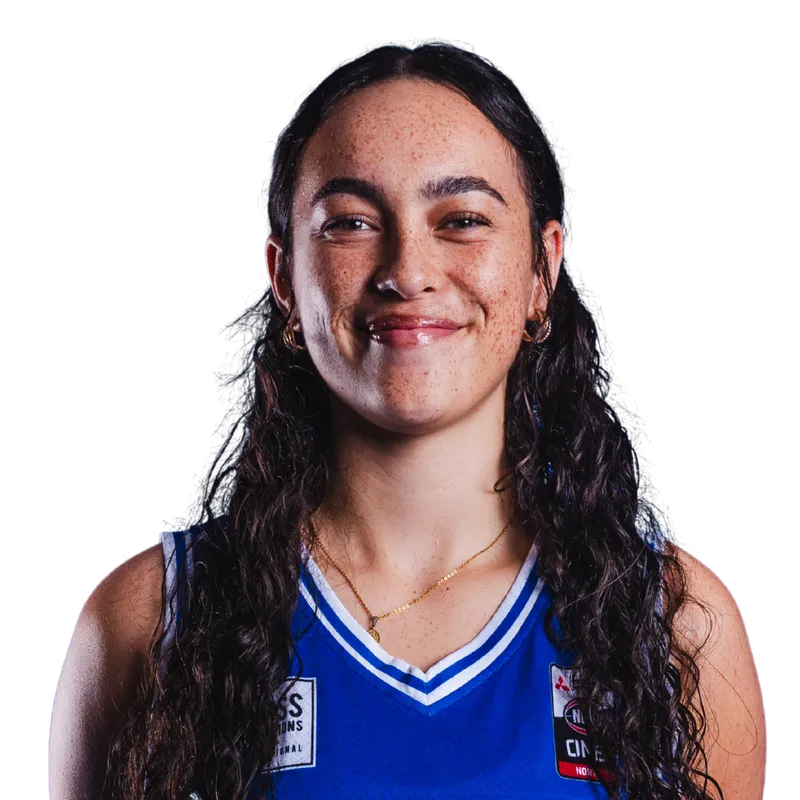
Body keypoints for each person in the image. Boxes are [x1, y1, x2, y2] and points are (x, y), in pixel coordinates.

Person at [48, 40, 766, 799]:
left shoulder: (673, 621)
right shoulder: (151, 621)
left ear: (542, 270)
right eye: (351, 223)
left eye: (463, 218)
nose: (408, 272)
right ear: (282, 276)